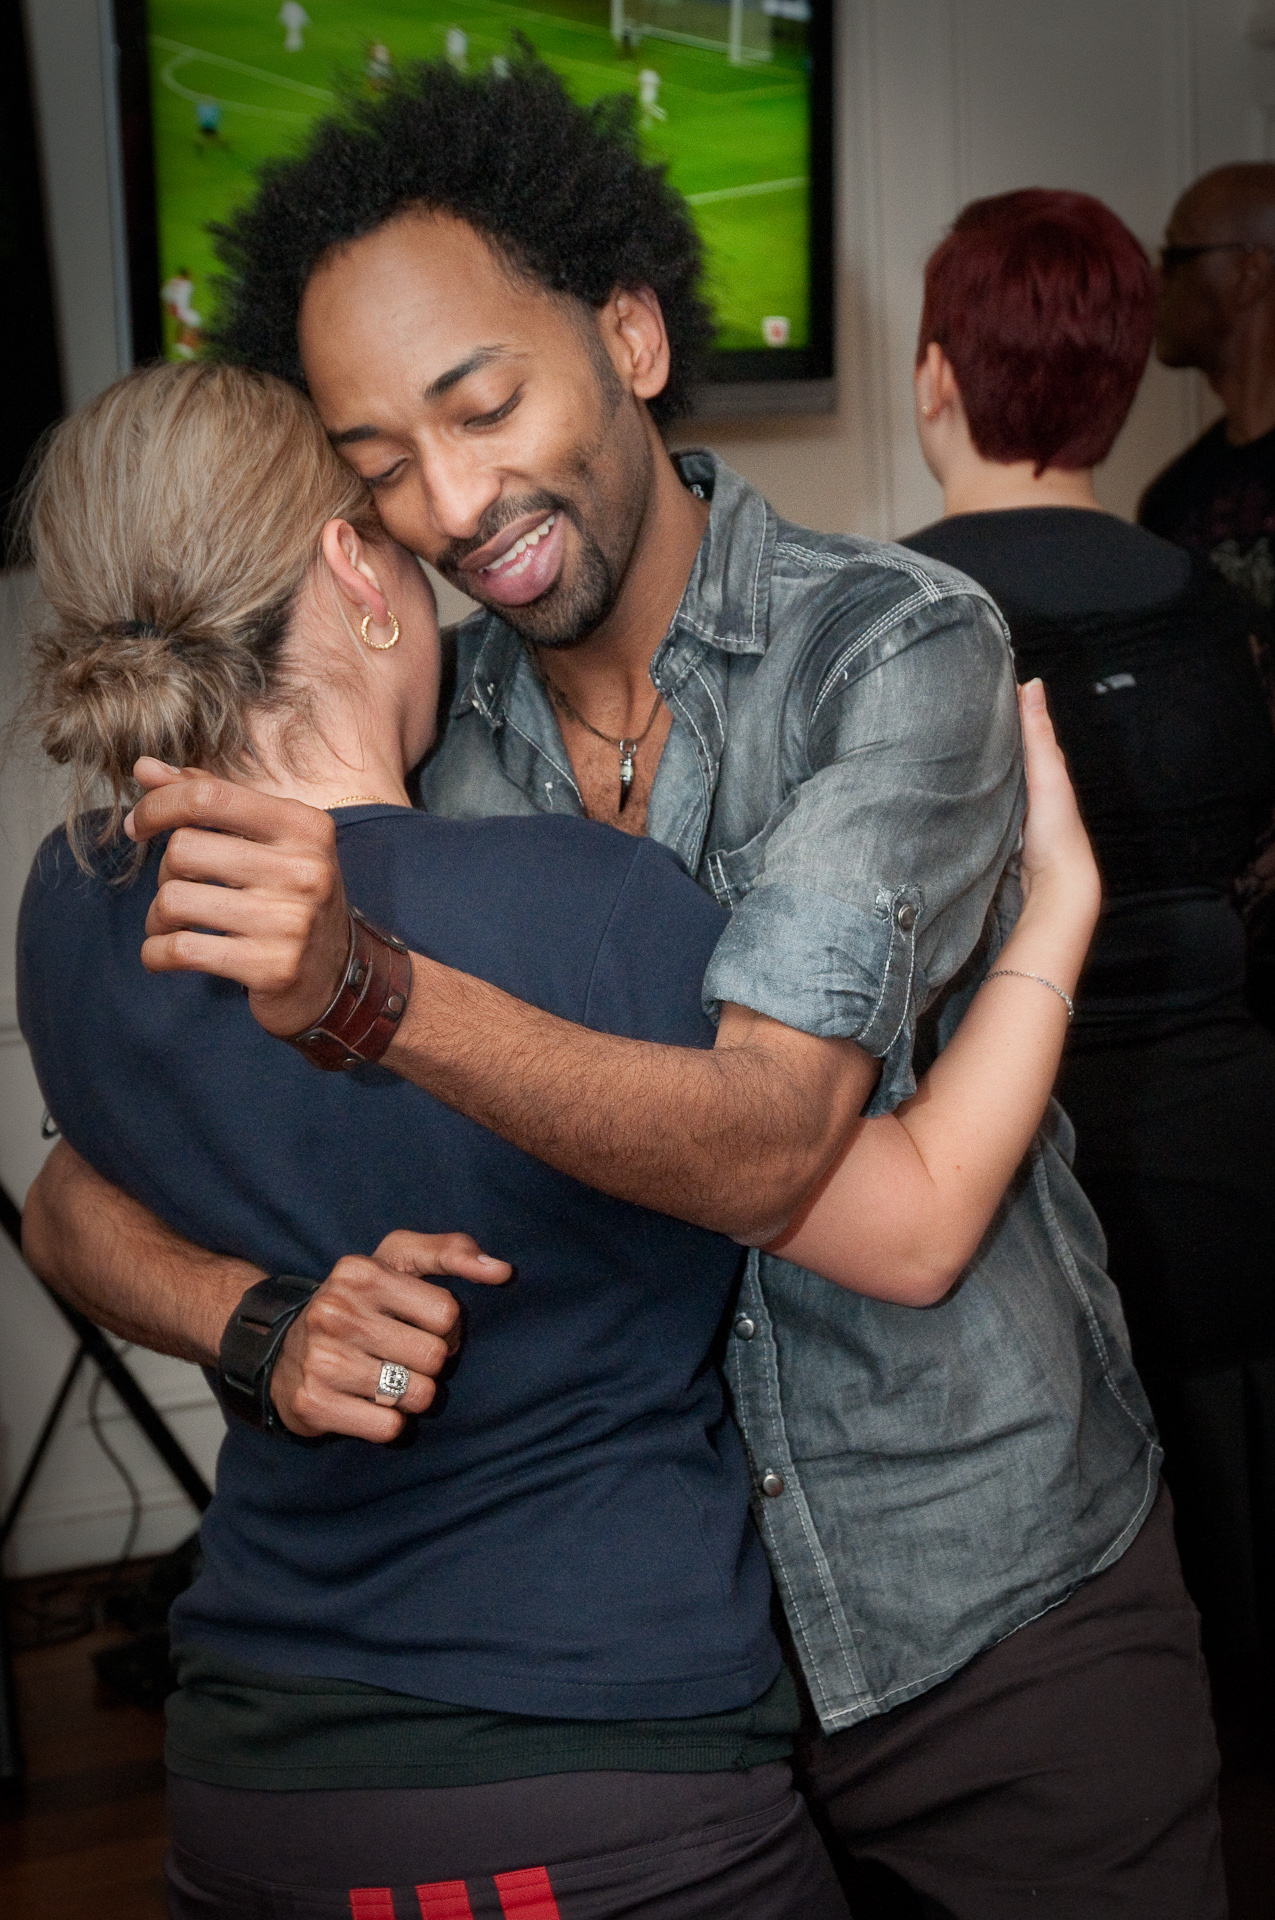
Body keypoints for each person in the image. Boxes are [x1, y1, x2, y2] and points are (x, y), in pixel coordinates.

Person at [22, 58, 1225, 1919]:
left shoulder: (888, 649)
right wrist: (254, 1320)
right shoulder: (430, 752)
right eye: (379, 465)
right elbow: (73, 1195)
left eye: (485, 403)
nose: (451, 501)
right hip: (668, 1683)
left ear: (634, 339)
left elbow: (780, 1147)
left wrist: (375, 993)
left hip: (982, 1612)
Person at [17, 359, 855, 1920]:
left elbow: (69, 1197)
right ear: (355, 569)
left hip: (247, 1773)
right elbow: (840, 1191)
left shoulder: (76, 904)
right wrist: (1043, 946)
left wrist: (252, 1320)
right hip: (591, 1767)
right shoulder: (592, 907)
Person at [905, 186, 1275, 1753]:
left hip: (1003, 1197)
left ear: (934, 374)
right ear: (1120, 383)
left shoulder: (886, 626)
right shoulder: (1208, 614)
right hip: (1230, 1168)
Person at [1139, 162, 1275, 1022]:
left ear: (1250, 273)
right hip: (1226, 948)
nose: (1159, 283)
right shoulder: (1171, 499)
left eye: (1177, 257)